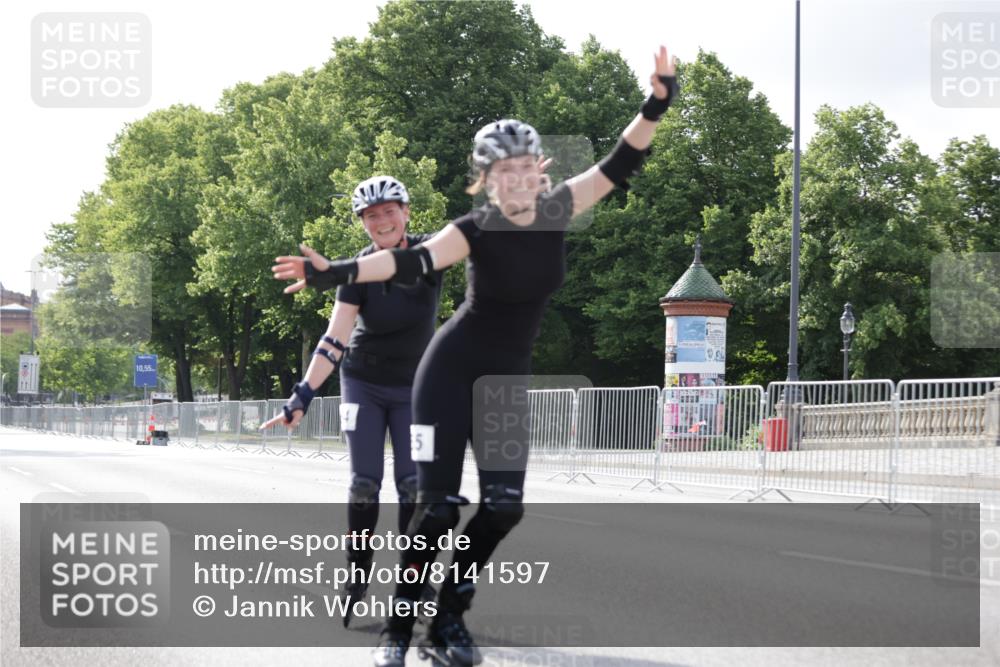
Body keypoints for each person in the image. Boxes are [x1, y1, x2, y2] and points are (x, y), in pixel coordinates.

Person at [272, 45, 679, 667]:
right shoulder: (474, 228)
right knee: (435, 509)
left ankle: (448, 617)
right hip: (448, 374)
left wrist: (656, 102)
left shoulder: (561, 207)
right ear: (485, 180)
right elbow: (412, 260)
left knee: (504, 507)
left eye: (523, 167)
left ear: (538, 170)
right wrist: (337, 274)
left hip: (504, 381)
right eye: (501, 171)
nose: (514, 178)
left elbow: (620, 162)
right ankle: (398, 631)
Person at [260, 175, 446, 626]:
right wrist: (303, 394)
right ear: (362, 223)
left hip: (415, 388)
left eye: (389, 211)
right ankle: (358, 573)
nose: (381, 221)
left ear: (406, 212)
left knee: (413, 488)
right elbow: (335, 338)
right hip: (364, 382)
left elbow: (483, 231)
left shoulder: (431, 253)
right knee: (364, 484)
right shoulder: (357, 273)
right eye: (371, 215)